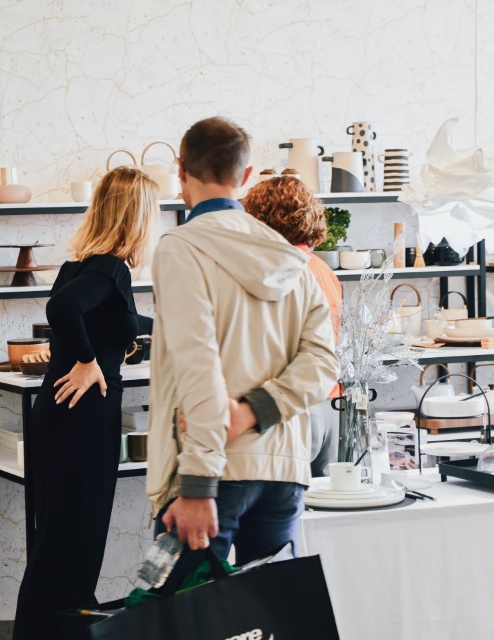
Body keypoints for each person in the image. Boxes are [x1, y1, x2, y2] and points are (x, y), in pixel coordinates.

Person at [147, 117, 340, 563]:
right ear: (246, 175)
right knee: (271, 605)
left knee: (179, 605)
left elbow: (197, 365)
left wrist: (198, 484)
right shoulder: (293, 260)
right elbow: (323, 365)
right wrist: (257, 410)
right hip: (283, 470)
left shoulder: (181, 248)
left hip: (209, 476)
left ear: (181, 169)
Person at [13, 167, 158, 640]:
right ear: (136, 216)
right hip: (85, 417)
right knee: (74, 544)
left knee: (59, 543)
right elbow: (62, 310)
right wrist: (88, 360)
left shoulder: (79, 267)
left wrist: (166, 323)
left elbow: (112, 317)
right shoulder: (112, 268)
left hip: (60, 414)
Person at [242, 176, 344, 477]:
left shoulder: (279, 272)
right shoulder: (322, 268)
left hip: (294, 407)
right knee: (322, 501)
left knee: (282, 500)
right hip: (330, 404)